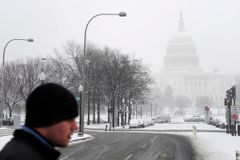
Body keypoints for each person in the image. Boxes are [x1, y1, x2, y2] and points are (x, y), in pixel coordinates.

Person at [0, 83, 79, 160]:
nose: (75, 127)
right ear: (49, 118)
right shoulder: (21, 157)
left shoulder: (22, 151)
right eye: (69, 120)